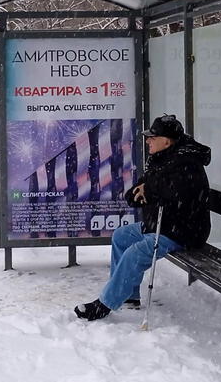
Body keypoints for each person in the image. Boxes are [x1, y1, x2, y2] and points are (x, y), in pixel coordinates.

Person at [75, 114, 212, 321]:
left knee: (136, 252)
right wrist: (137, 194)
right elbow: (139, 190)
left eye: (152, 137)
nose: (147, 140)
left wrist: (150, 190)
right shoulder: (161, 158)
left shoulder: (187, 162)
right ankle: (129, 295)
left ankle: (105, 304)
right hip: (160, 223)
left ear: (166, 141)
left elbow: (179, 193)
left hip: (182, 230)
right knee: (122, 236)